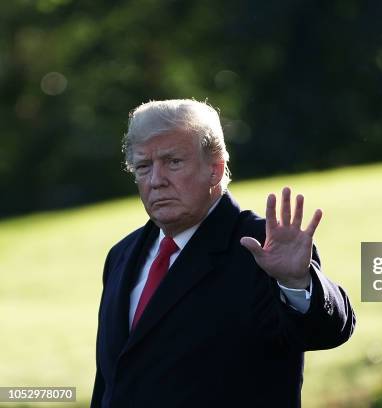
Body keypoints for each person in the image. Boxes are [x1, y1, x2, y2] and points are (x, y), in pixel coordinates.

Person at [91, 99, 356, 408]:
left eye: (173, 162)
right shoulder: (121, 256)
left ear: (215, 169)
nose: (155, 180)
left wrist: (297, 283)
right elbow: (112, 383)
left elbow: (326, 332)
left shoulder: (263, 245)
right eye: (143, 166)